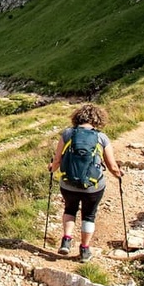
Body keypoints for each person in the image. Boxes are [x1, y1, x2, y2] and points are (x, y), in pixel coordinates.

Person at [47, 103, 123, 262]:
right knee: (89, 215)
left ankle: (66, 240)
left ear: (77, 117)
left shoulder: (68, 133)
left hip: (68, 184)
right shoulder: (101, 137)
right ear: (98, 119)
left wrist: (52, 168)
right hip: (93, 186)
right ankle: (84, 250)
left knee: (70, 209)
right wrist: (118, 175)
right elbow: (112, 165)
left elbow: (57, 160)